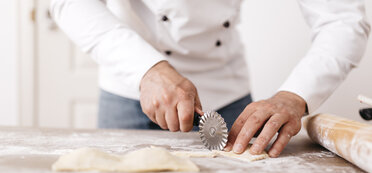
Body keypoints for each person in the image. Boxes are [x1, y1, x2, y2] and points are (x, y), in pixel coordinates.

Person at [50, 0, 370, 157]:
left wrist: (295, 95)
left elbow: (343, 19)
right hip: (129, 78)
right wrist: (146, 68)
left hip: (226, 95)